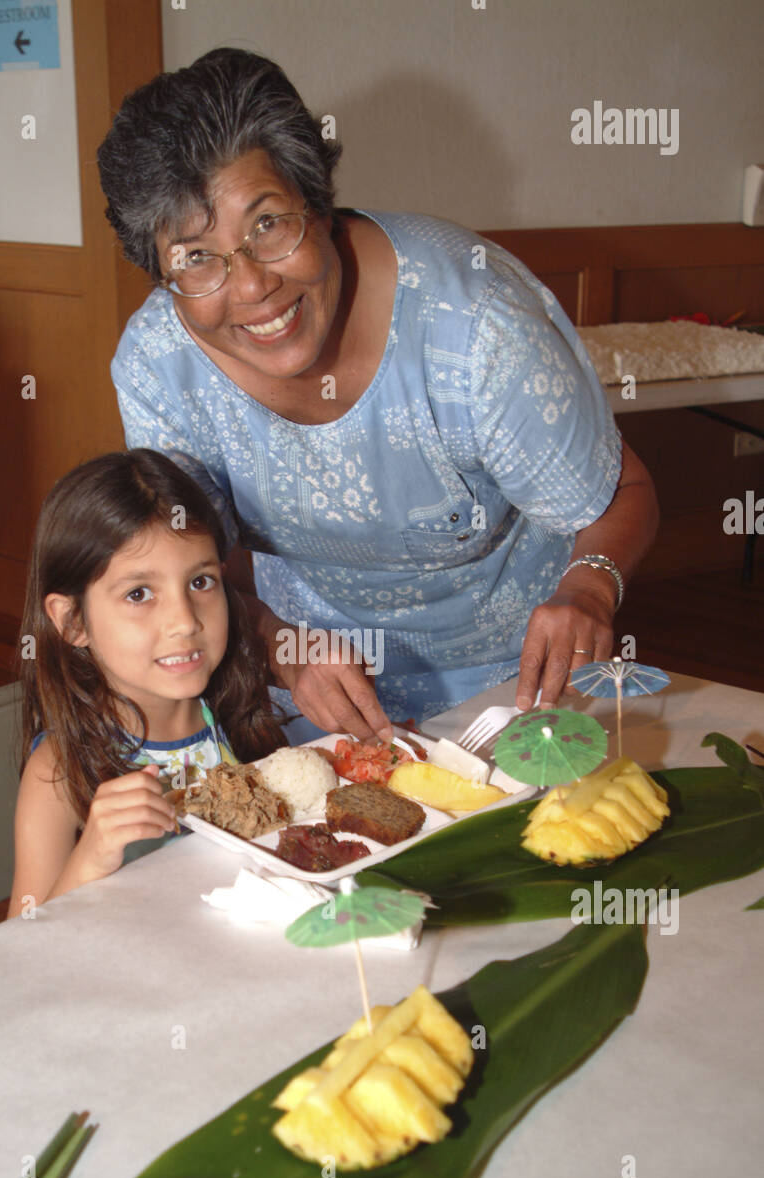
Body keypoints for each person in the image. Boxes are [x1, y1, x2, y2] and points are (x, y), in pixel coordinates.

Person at [98, 48, 659, 744]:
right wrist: (279, 645)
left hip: (519, 678)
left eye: (267, 224)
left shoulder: (476, 327)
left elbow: (622, 490)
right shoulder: (160, 365)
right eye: (195, 257)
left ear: (316, 201)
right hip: (310, 674)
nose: (249, 287)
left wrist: (587, 590)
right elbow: (187, 567)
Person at [7, 449, 284, 916]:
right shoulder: (57, 770)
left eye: (200, 582)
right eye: (139, 594)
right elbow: (20, 941)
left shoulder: (236, 718)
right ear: (73, 620)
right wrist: (90, 856)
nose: (183, 621)